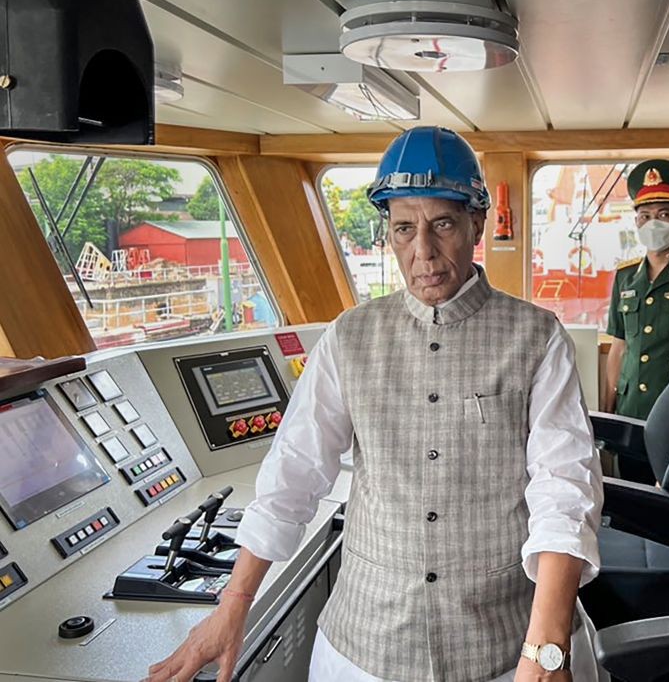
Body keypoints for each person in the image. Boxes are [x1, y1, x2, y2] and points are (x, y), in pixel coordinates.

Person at [146, 126, 604, 682]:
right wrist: (232, 606)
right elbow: (294, 473)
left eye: (443, 225)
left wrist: (546, 647)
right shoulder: (349, 337)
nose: (424, 252)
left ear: (476, 223)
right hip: (365, 647)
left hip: (508, 646)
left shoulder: (538, 337)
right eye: (404, 229)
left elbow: (565, 489)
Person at [603, 160, 669, 419]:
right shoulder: (626, 276)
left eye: (664, 214)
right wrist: (609, 407)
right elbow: (618, 347)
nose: (653, 223)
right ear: (636, 222)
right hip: (630, 406)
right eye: (645, 216)